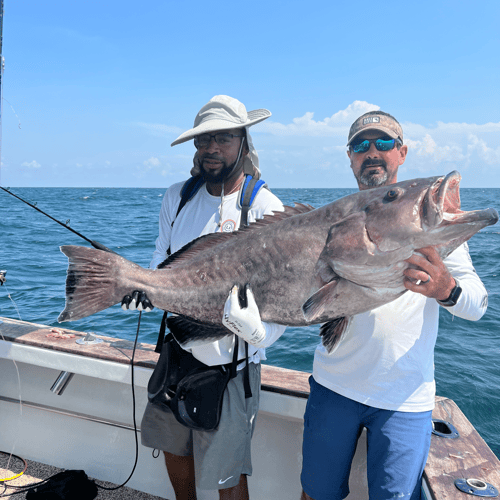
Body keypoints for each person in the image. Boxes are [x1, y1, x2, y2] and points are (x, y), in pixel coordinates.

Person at [300, 111, 489, 500]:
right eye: (361, 145)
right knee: (316, 493)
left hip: (404, 398)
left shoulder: (434, 224)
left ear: (401, 153)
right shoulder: (328, 220)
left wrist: (446, 288)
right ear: (349, 157)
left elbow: (478, 304)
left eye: (384, 143)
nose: (372, 152)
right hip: (333, 386)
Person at [124, 95, 286, 500]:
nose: (212, 148)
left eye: (224, 138)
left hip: (229, 364)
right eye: (204, 140)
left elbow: (283, 298)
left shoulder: (265, 207)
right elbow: (161, 261)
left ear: (243, 143)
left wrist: (260, 332)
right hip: (176, 351)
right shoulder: (177, 197)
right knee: (172, 448)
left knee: (226, 475)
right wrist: (143, 288)